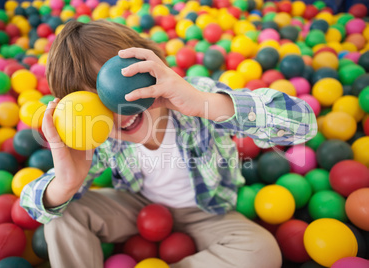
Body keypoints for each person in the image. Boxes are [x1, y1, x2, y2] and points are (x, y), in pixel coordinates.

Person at [21, 19, 317, 268]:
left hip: (207, 210)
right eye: (97, 105)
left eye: (123, 89)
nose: (120, 112)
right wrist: (66, 184)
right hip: (138, 207)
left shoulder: (195, 95)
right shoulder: (98, 137)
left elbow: (303, 123)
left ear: (153, 65)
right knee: (62, 213)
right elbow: (32, 207)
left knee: (261, 251)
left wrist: (204, 103)